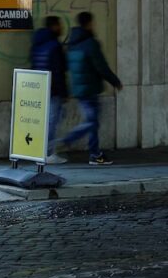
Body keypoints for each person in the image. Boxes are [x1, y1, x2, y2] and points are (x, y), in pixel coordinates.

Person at [53, 11, 122, 165]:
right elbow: (101, 67)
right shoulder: (90, 43)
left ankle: (95, 154)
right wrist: (115, 81)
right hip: (90, 89)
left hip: (78, 88)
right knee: (92, 122)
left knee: (93, 122)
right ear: (89, 23)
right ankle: (68, 140)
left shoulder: (72, 43)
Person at [31, 16, 70, 164]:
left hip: (39, 88)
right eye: (59, 25)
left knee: (43, 122)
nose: (61, 27)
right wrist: (64, 92)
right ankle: (47, 153)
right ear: (54, 26)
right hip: (53, 90)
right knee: (52, 121)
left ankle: (39, 151)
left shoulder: (37, 44)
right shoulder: (55, 46)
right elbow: (58, 71)